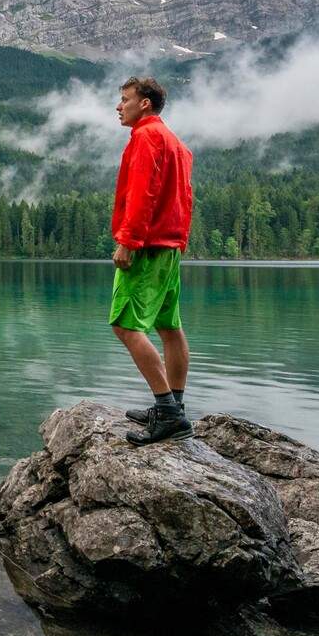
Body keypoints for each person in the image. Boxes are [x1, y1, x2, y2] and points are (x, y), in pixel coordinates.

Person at [108, 76, 195, 445]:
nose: (118, 106)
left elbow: (142, 194)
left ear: (145, 103)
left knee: (125, 325)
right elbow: (186, 198)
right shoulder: (177, 144)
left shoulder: (145, 138)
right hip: (170, 248)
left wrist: (128, 242)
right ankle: (173, 403)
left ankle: (169, 412)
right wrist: (181, 243)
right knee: (168, 326)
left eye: (124, 99)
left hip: (146, 246)